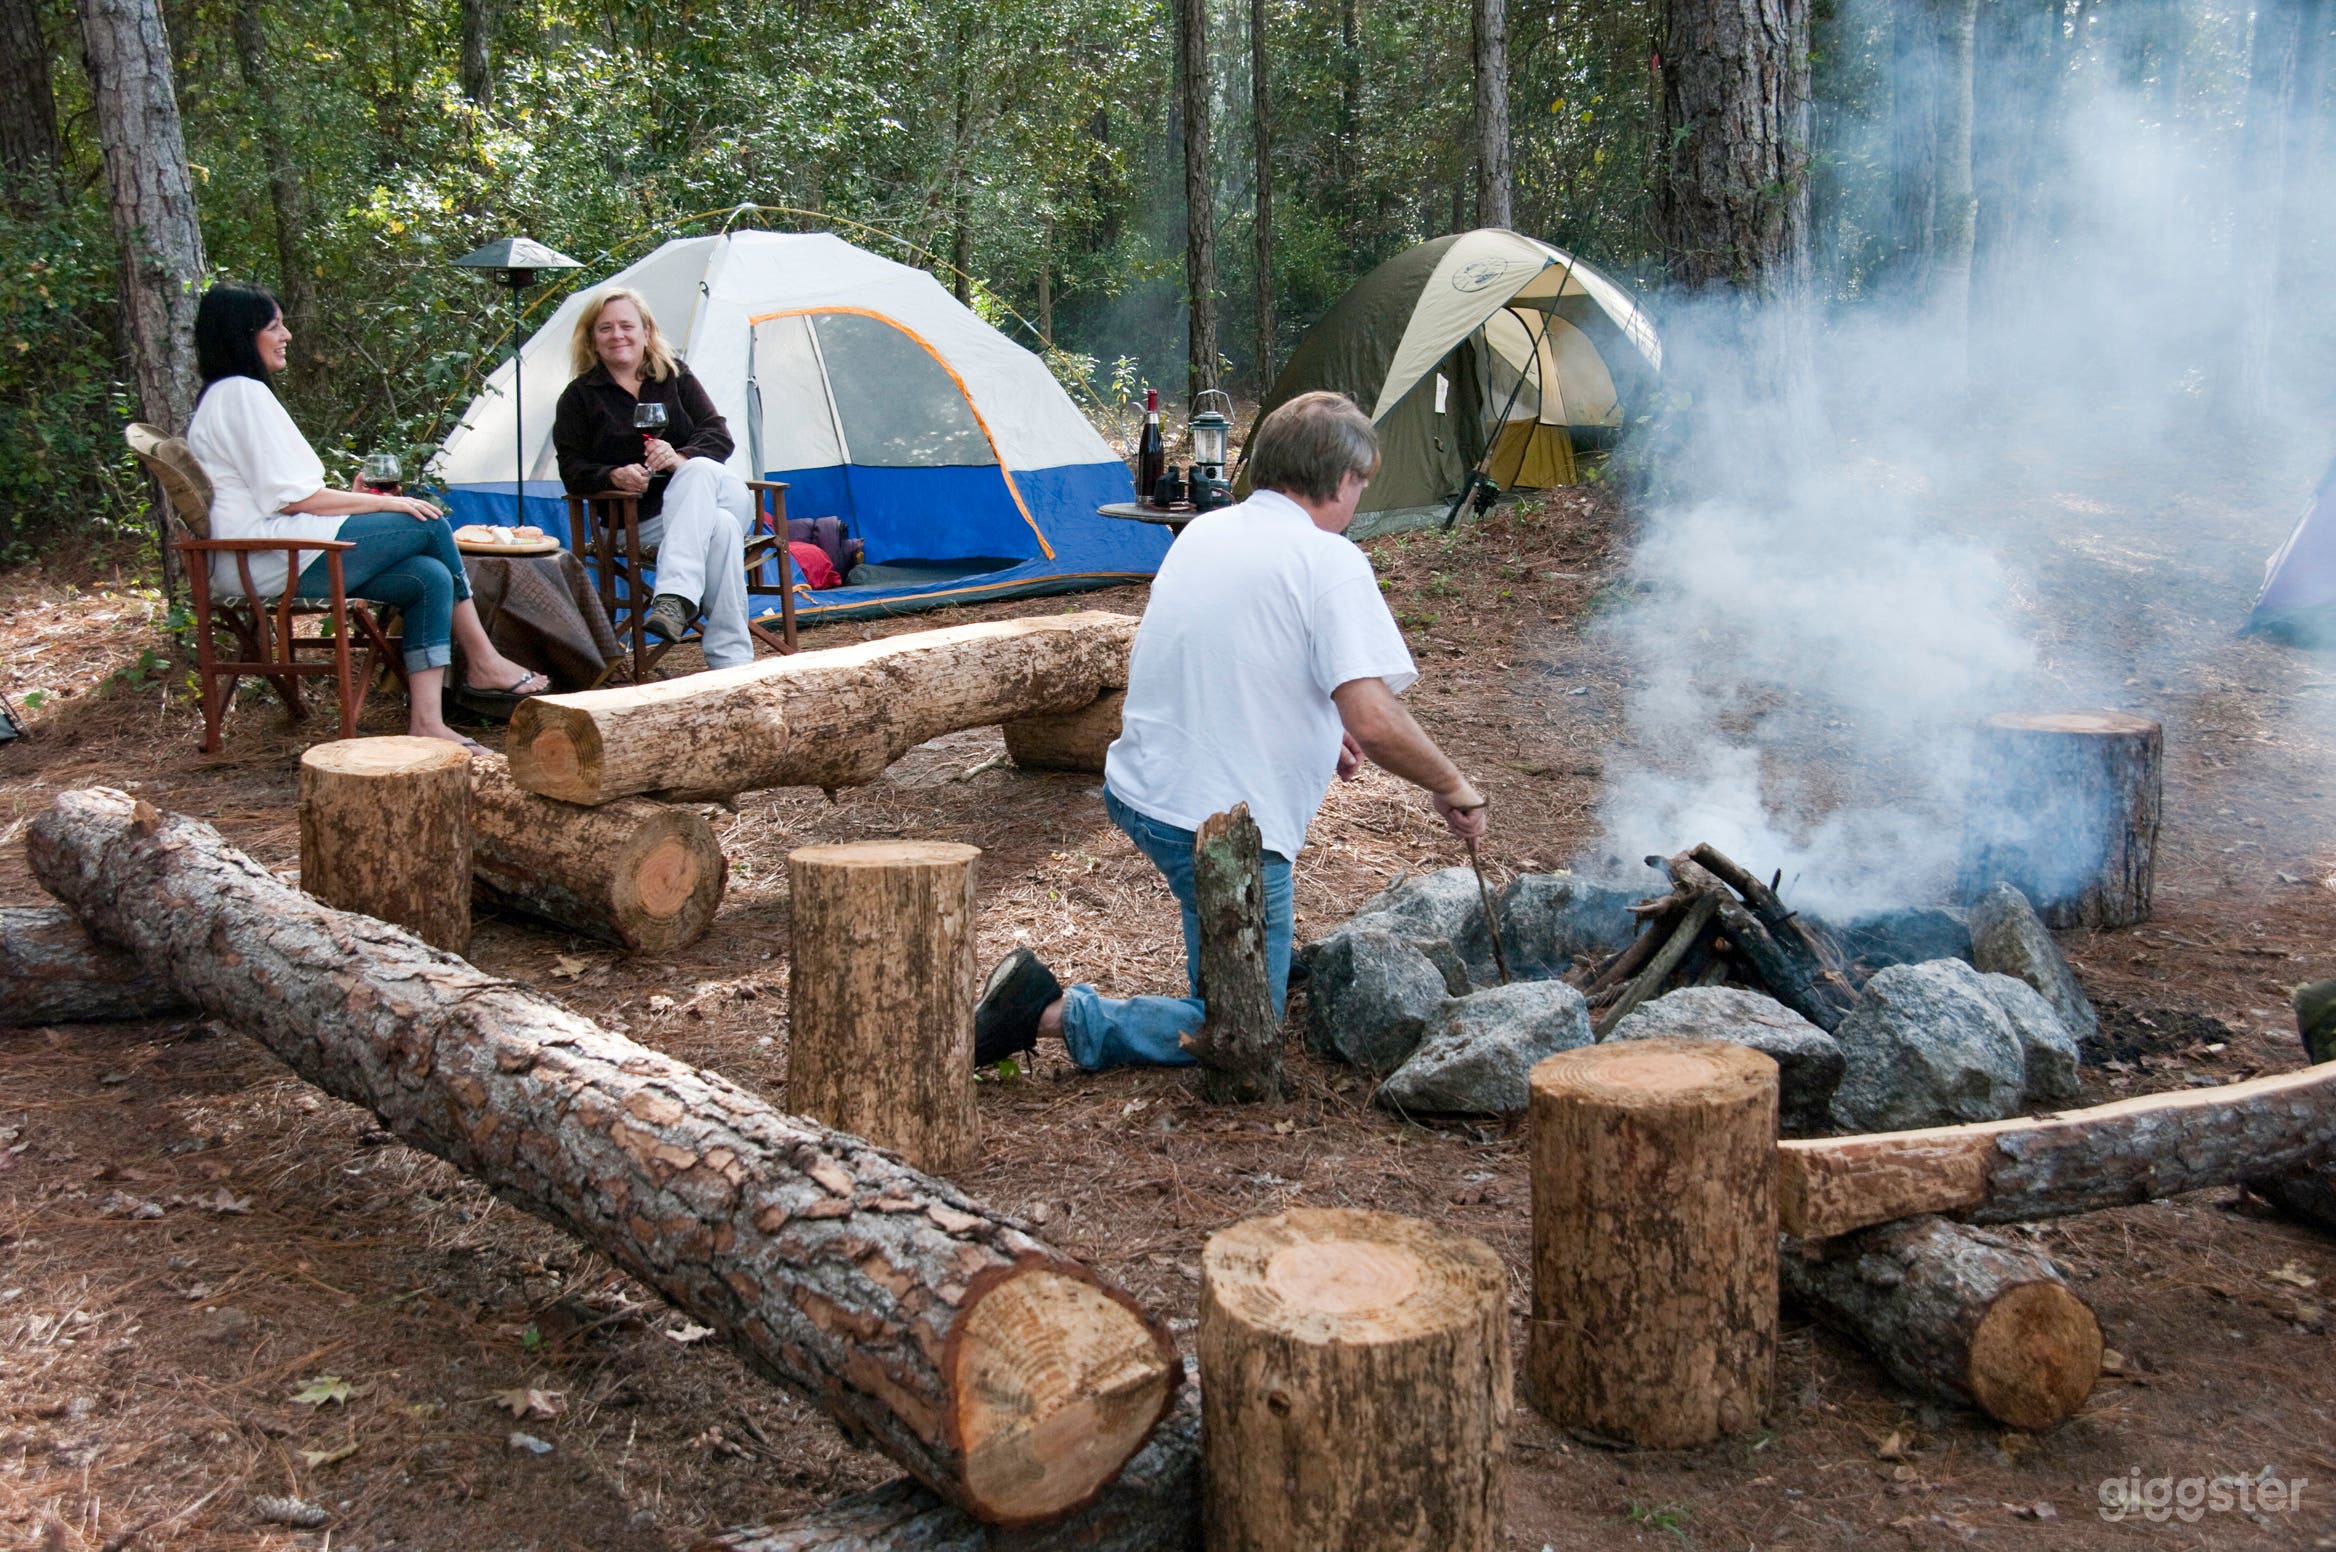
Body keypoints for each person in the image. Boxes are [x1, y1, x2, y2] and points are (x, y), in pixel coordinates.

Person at [974, 391, 1488, 1071]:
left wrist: (1313, 724)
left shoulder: (1211, 530)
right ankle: (1050, 1014)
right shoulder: (1328, 560)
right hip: (1215, 828)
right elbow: (1375, 718)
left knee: (1240, 973)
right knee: (1243, 1030)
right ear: (1341, 480)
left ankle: (1249, 956)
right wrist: (1451, 784)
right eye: (1360, 482)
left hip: (1144, 787)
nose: (1359, 496)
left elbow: (1232, 648)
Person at [184, 282, 549, 751]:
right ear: (243, 334)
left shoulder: (225, 395)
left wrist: (356, 498)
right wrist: (383, 502)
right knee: (428, 522)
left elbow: (283, 494)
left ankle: (427, 723)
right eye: (275, 326)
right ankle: (483, 659)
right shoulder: (240, 394)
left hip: (273, 550)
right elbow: (294, 499)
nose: (287, 335)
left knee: (427, 576)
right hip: (269, 556)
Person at [551, 288, 764, 669]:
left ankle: (674, 596)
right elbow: (571, 470)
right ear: (592, 339)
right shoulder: (579, 398)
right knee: (721, 528)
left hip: (715, 492)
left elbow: (718, 434)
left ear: (646, 331)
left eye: (627, 325)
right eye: (605, 328)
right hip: (642, 520)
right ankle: (732, 663)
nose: (618, 335)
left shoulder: (675, 376)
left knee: (697, 471)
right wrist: (612, 474)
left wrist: (680, 457)